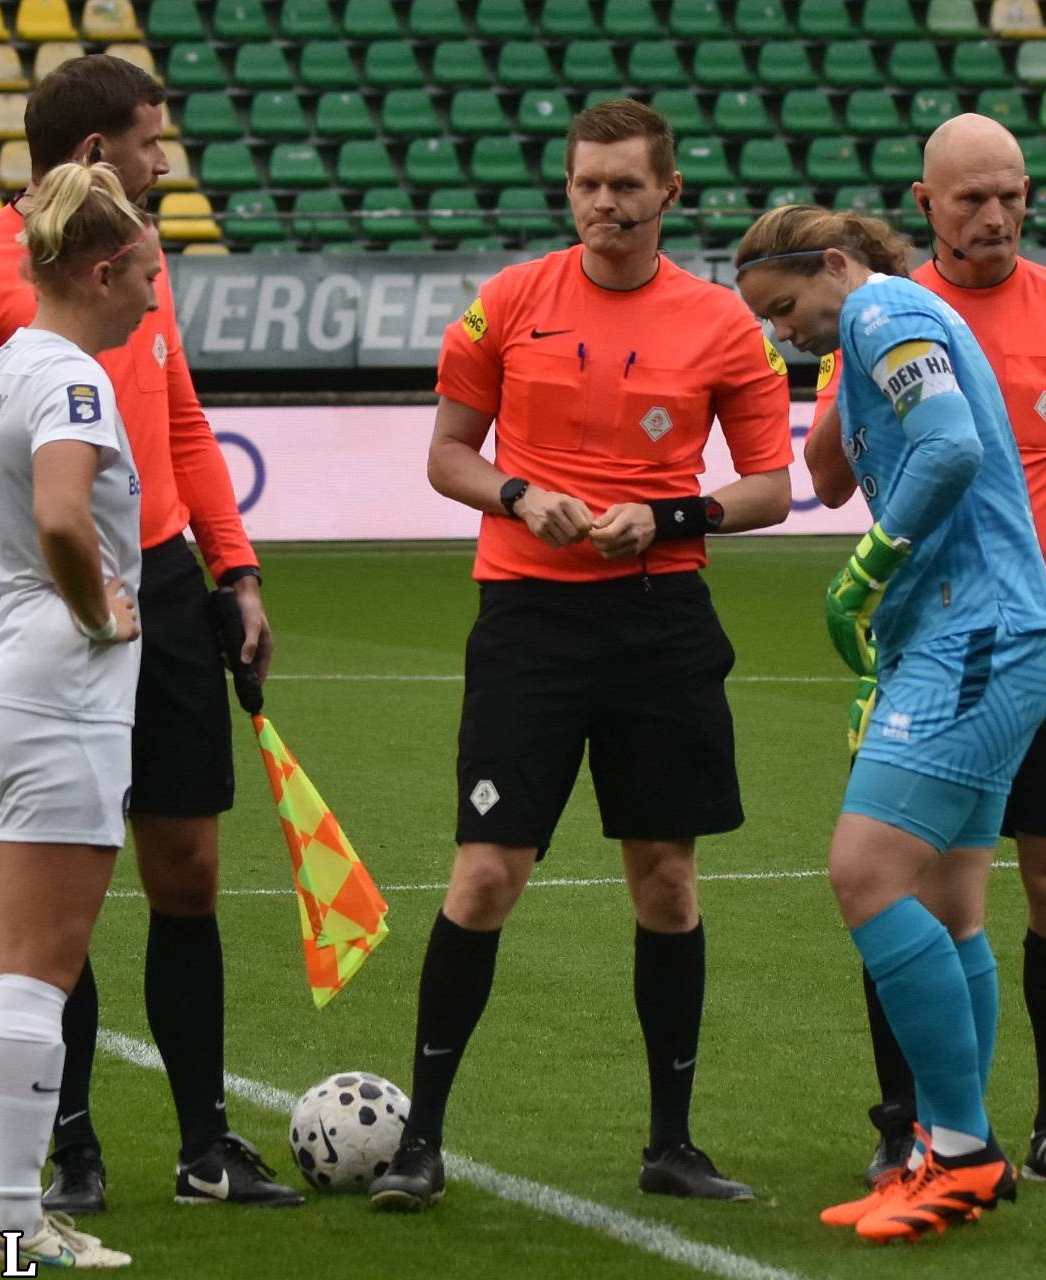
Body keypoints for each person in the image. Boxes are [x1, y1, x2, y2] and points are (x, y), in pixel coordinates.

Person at [366, 99, 793, 1212]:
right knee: (486, 873)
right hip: (530, 621)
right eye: (587, 184)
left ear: (669, 194)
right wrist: (517, 493)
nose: (603, 203)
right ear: (568, 188)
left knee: (667, 879)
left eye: (625, 185)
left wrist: (670, 516)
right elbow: (448, 455)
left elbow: (770, 486)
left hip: (661, 621)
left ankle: (671, 1143)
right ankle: (420, 1142)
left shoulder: (722, 323)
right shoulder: (509, 301)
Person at [0, 55, 302, 1214]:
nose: (164, 161)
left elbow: (183, 422)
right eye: (149, 140)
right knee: (53, 899)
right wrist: (34, 598)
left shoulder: (135, 257)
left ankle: (204, 1143)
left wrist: (233, 567)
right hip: (69, 609)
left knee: (187, 868)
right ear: (94, 153)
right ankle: (69, 1149)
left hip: (164, 585)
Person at [810, 113, 1046, 1188]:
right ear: (926, 204)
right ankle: (909, 1122)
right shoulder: (886, 313)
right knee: (909, 877)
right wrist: (840, 369)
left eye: (1012, 195)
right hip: (933, 621)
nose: (997, 215)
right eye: (972, 198)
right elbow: (825, 478)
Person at [735, 204, 1046, 1243]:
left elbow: (951, 446)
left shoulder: (882, 309)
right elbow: (836, 473)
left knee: (865, 872)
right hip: (976, 633)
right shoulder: (875, 327)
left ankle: (960, 1153)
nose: (783, 331)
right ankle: (948, 1144)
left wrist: (868, 567)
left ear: (835, 264)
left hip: (977, 633)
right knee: (952, 905)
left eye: (786, 306)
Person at [0, 160, 152, 1269]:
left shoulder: (2, 364)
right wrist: (97, 610)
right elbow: (67, 516)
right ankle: (17, 1226)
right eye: (148, 273)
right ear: (103, 271)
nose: (156, 295)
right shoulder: (74, 379)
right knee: (38, 973)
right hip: (56, 693)